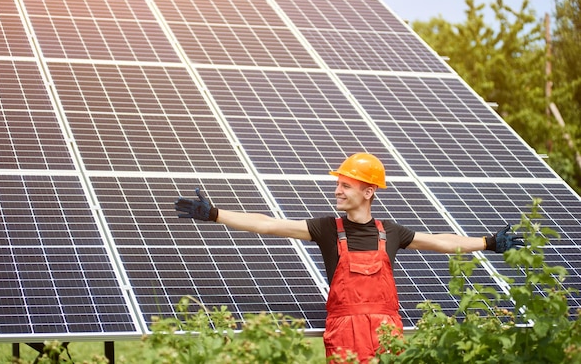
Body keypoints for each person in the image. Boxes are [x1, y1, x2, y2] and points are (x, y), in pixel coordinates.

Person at [174, 152, 523, 362]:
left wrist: (488, 242)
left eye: (346, 185)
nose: (337, 190)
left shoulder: (392, 233)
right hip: (344, 337)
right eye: (337, 183)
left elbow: (442, 242)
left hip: (387, 337)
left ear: (368, 192)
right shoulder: (327, 229)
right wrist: (215, 214)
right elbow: (268, 225)